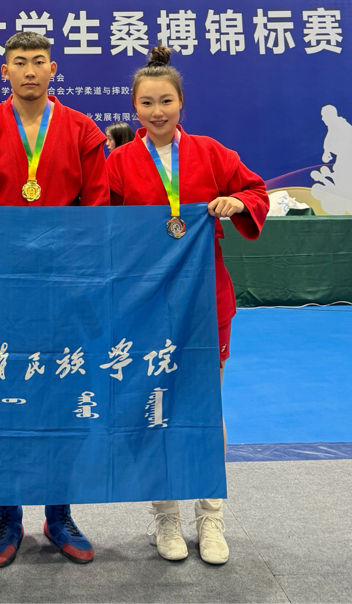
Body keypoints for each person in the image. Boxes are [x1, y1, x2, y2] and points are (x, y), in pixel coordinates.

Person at [105, 46, 269, 567]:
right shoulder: (119, 162)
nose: (157, 112)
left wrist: (238, 202)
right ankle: (166, 515)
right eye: (147, 103)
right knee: (154, 404)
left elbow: (255, 190)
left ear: (181, 103)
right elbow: (103, 227)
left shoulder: (211, 152)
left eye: (166, 101)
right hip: (145, 303)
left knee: (204, 407)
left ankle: (211, 515)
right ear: (134, 108)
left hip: (204, 299)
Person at [0, 30, 109, 568]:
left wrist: (67, 267)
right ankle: (7, 515)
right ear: (5, 72)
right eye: (19, 62)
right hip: (2, 292)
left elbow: (97, 211)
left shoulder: (83, 130)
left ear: (53, 69)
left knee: (62, 400)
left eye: (39, 61)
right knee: (6, 402)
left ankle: (59, 513)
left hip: (65, 293)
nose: (30, 70)